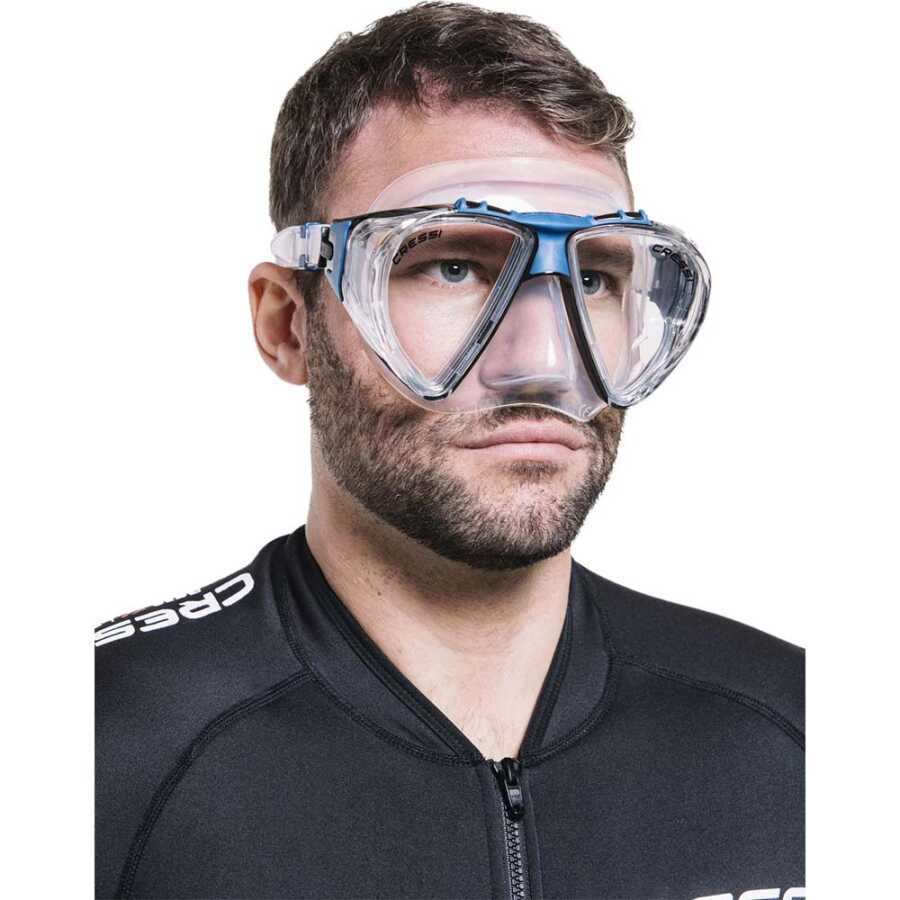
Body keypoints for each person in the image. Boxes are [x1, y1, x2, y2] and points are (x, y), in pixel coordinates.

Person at [94, 3, 804, 898]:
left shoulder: (805, 733)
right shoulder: (94, 753)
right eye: (452, 266)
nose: (546, 364)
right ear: (287, 325)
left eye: (594, 277)